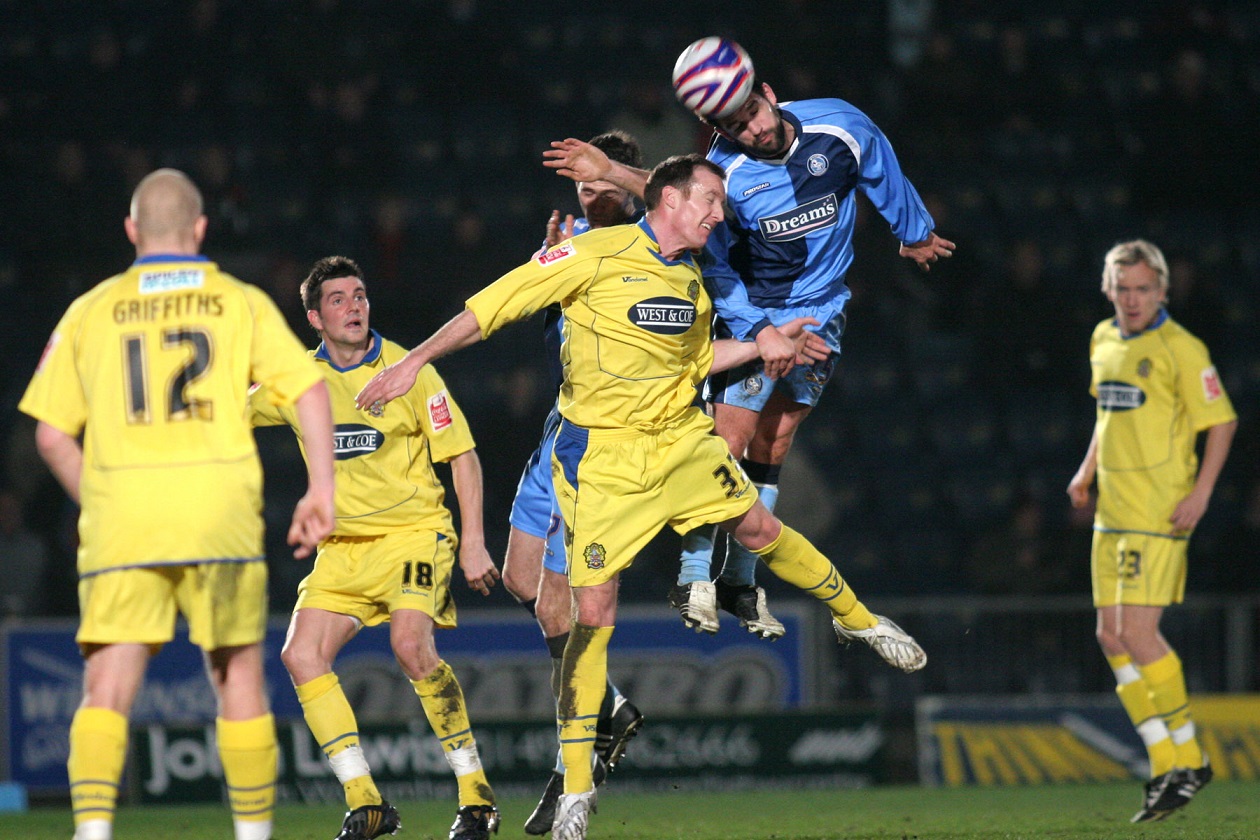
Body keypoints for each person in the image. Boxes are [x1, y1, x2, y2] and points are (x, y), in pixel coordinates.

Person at [354, 154, 926, 840]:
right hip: (606, 461)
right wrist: (412, 361)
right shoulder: (591, 254)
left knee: (756, 528)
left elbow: (692, 362)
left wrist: (760, 346)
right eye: (710, 200)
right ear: (670, 202)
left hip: (680, 440)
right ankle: (575, 792)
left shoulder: (693, 276)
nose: (720, 213)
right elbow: (491, 306)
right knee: (590, 613)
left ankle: (860, 620)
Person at [544, 38, 955, 640]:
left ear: (767, 93)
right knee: (726, 438)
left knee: (778, 435)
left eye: (754, 115)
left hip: (820, 312)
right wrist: (761, 331)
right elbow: (685, 221)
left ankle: (738, 577)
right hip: (749, 312)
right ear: (718, 129)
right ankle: (693, 577)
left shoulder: (840, 126)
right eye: (734, 127)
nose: (754, 132)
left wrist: (913, 229)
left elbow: (880, 163)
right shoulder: (727, 174)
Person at [18, 168, 336, 840]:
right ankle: (252, 836)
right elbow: (309, 390)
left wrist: (98, 501)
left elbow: (49, 437)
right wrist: (321, 490)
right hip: (220, 509)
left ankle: (94, 831)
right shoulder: (238, 299)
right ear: (199, 230)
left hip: (126, 517)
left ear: (132, 231)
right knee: (238, 674)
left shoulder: (90, 310)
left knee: (107, 682)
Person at [251, 256, 502, 840]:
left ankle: (476, 797)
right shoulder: (297, 381)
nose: (354, 306)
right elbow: (225, 412)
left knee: (410, 645)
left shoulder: (409, 370)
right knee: (299, 655)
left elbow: (462, 456)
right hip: (341, 549)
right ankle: (366, 803)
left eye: (360, 295)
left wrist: (472, 541)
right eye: (338, 299)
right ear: (314, 317)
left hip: (414, 534)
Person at [500, 131, 646, 835]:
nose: (589, 197)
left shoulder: (655, 239)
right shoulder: (580, 239)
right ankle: (611, 707)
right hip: (559, 427)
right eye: (582, 188)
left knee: (561, 607)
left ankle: (573, 765)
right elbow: (539, 304)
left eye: (599, 185)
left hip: (598, 448)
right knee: (518, 577)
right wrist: (545, 260)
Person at [1067, 239, 1236, 824]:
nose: (1132, 298)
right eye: (1123, 287)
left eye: (1144, 288)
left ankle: (1189, 758)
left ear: (1163, 291)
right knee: (1110, 637)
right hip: (1113, 509)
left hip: (1159, 511)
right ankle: (1167, 763)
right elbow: (1106, 412)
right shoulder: (1102, 338)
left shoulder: (1181, 348)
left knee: (1137, 635)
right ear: (1107, 288)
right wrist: (1086, 471)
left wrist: (1202, 492)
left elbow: (1222, 420)